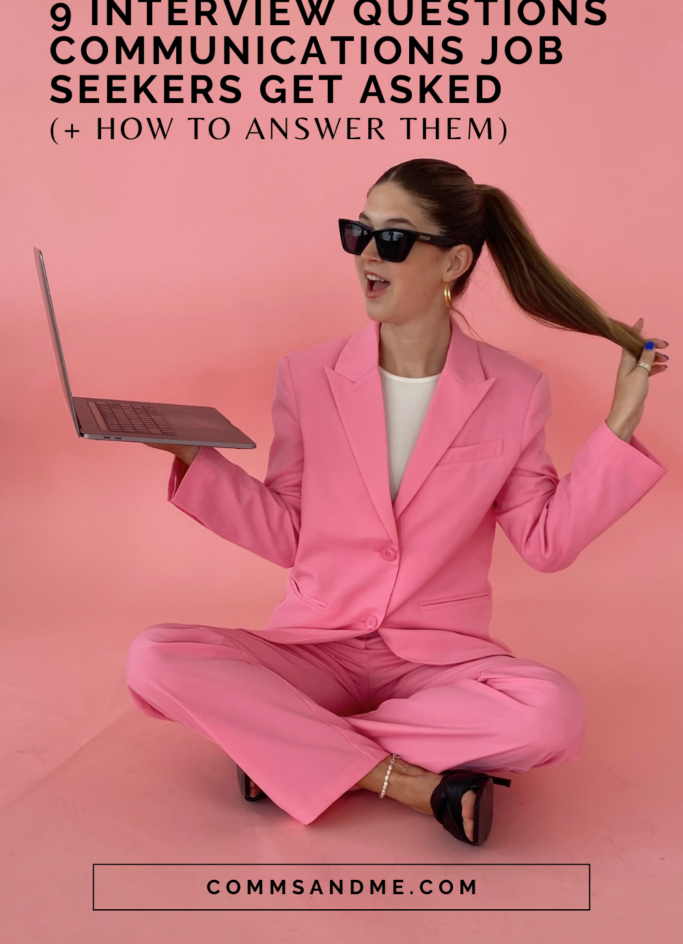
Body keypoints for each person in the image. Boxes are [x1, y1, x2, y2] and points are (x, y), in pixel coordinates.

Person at [125, 158, 669, 846]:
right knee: (154, 657)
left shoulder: (514, 388)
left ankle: (281, 748)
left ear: (453, 262)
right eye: (359, 232)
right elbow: (291, 535)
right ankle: (406, 781)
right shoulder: (306, 375)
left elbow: (545, 542)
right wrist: (188, 457)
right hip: (315, 644)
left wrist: (619, 419)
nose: (364, 256)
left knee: (550, 715)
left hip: (436, 661)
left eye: (392, 238)